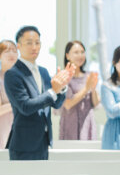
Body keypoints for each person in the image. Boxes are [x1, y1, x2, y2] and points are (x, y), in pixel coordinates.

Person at [4, 26, 75, 160]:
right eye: (29, 43)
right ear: (18, 46)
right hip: (23, 145)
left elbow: (56, 104)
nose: (34, 47)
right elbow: (25, 106)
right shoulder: (12, 74)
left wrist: (62, 87)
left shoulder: (43, 71)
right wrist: (53, 91)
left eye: (37, 43)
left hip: (43, 142)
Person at [59, 40, 100, 140]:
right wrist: (86, 88)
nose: (80, 55)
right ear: (67, 56)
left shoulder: (89, 75)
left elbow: (95, 103)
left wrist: (93, 88)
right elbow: (68, 104)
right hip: (70, 125)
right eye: (76, 52)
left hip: (87, 124)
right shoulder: (63, 77)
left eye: (82, 52)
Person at [0, 40, 18, 148]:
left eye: (14, 51)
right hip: (3, 129)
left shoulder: (23, 78)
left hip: (22, 130)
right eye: (7, 51)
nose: (11, 54)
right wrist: (20, 103)